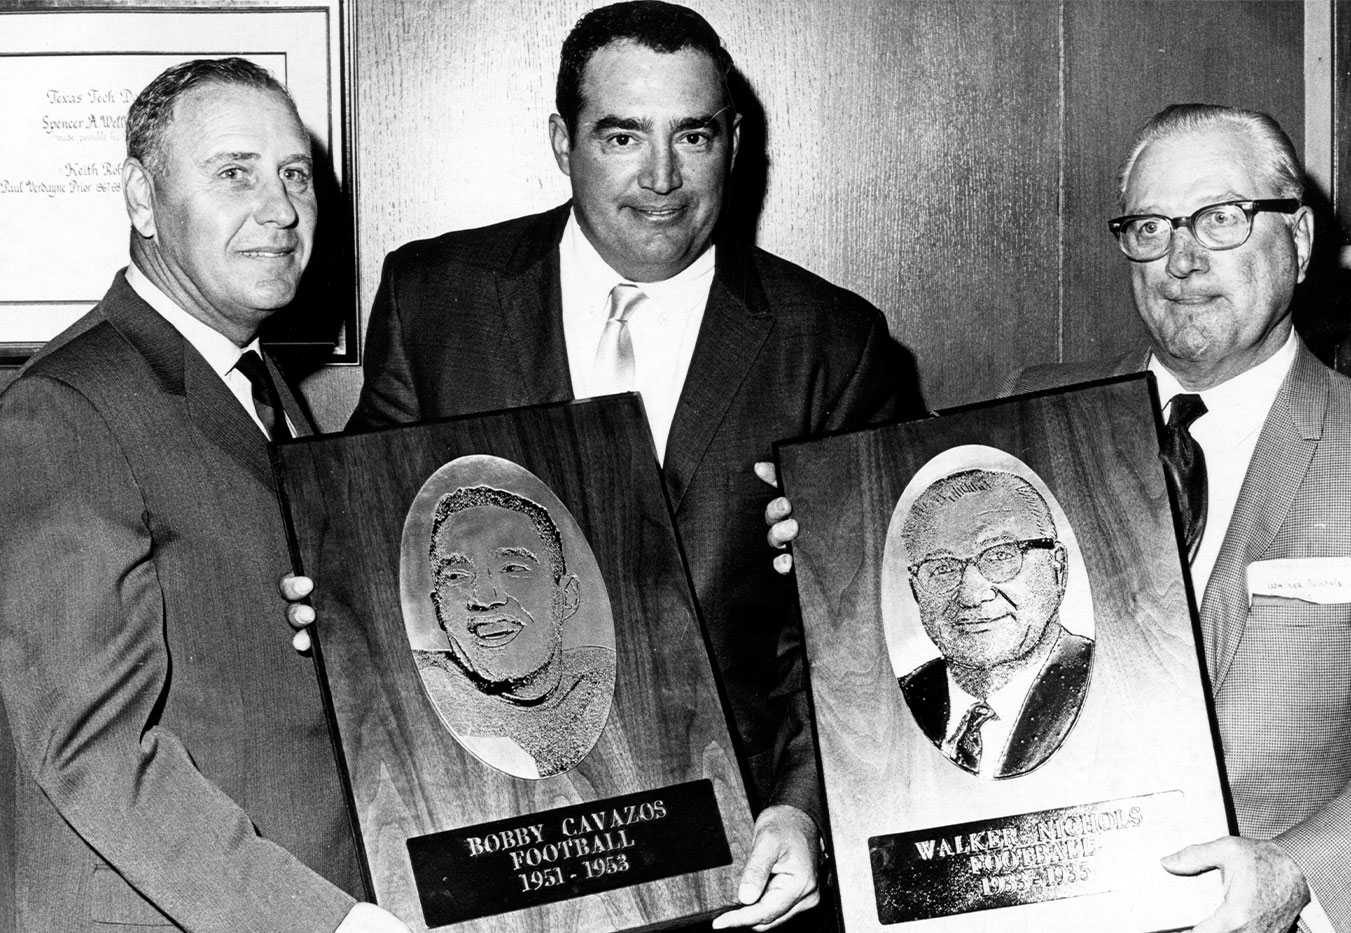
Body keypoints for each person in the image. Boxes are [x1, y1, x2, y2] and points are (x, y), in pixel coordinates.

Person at [282, 2, 919, 927]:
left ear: (733, 143)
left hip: (727, 862)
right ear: (561, 139)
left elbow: (859, 626)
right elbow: (383, 547)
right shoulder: (435, 297)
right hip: (487, 846)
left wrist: (804, 810)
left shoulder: (833, 343)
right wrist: (330, 593)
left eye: (692, 134)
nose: (662, 178)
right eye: (623, 134)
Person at [767, 102, 1351, 933]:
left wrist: (1301, 874)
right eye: (1149, 226)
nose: (1181, 258)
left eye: (1221, 218)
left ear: (1302, 240)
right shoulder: (1024, 412)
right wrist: (833, 551)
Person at [0, 59, 407, 932]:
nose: (283, 209)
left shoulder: (263, 386)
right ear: (141, 201)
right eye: (234, 173)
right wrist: (325, 924)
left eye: (295, 175)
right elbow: (92, 753)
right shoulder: (65, 407)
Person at [896, 469, 1091, 779]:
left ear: (1058, 570)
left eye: (1001, 555)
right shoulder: (896, 703)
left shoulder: (1103, 681)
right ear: (916, 591)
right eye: (942, 568)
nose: (971, 595)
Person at [414, 484, 614, 778]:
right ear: (438, 610)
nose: (484, 597)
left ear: (567, 597)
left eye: (512, 568)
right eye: (456, 576)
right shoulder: (419, 696)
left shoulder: (602, 684)